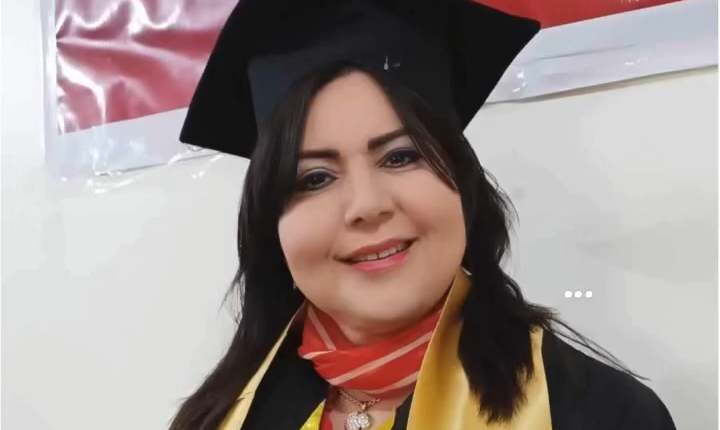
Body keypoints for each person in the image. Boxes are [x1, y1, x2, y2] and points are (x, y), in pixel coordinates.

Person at [169, 1, 676, 429]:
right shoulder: (220, 419)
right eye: (315, 178)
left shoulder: (600, 415)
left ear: (461, 180)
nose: (367, 205)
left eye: (400, 156)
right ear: (271, 223)